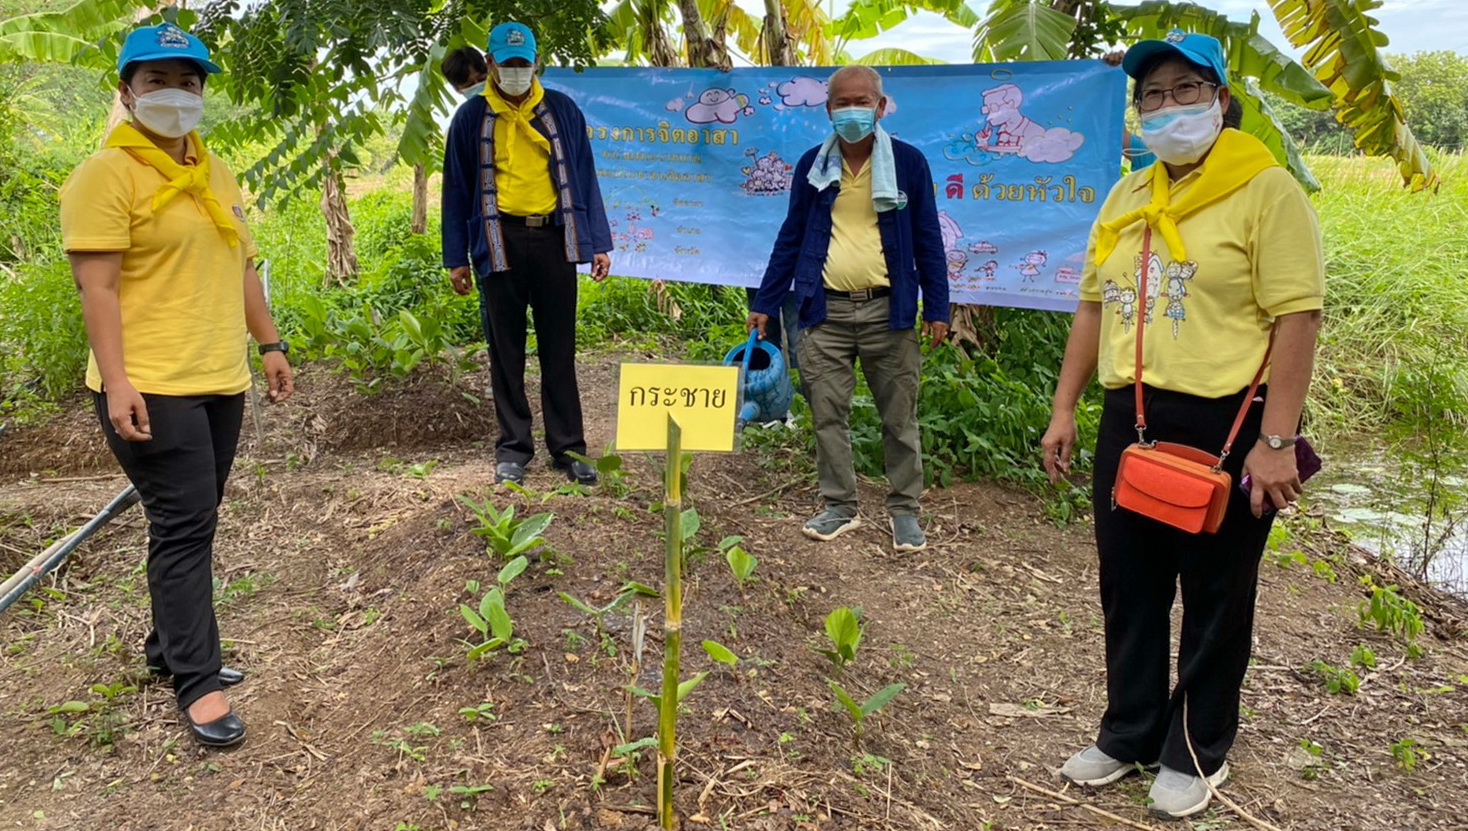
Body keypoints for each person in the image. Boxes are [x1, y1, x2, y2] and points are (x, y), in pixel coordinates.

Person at [1040, 30, 1323, 819]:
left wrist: (1276, 441)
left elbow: (1297, 315)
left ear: (1222, 101)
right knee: (1127, 582)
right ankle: (1128, 731)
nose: (1167, 108)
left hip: (1229, 418)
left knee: (1216, 589)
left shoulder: (1266, 191)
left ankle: (1197, 749)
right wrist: (1065, 407)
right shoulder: (1129, 195)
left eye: (1185, 91)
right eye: (1152, 96)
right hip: (1127, 412)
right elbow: (1093, 304)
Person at [60, 22, 294, 748]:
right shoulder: (106, 175)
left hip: (218, 377)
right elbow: (96, 289)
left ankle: (169, 647)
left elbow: (241, 264)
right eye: (156, 81)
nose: (174, 95)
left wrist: (270, 343)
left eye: (187, 82)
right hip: (150, 383)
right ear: (126, 91)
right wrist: (120, 380)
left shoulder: (214, 170)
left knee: (194, 515)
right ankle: (197, 680)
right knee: (185, 525)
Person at [747, 64, 949, 553]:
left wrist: (937, 306)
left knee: (899, 417)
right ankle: (840, 504)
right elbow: (791, 236)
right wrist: (767, 300)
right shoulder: (812, 167)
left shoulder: (908, 163)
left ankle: (904, 510)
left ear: (880, 107)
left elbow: (928, 238)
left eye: (863, 101)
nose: (852, 110)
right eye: (843, 102)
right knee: (827, 413)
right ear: (829, 109)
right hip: (824, 313)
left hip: (891, 312)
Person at [441, 21, 612, 486]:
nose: (516, 71)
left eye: (523, 63)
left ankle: (569, 447)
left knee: (559, 348)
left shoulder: (561, 110)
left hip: (555, 238)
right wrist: (456, 257)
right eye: (507, 63)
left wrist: (597, 242)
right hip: (500, 242)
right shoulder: (471, 118)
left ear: (536, 62)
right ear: (491, 64)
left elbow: (584, 175)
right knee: (506, 349)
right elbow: (456, 190)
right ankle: (513, 449)